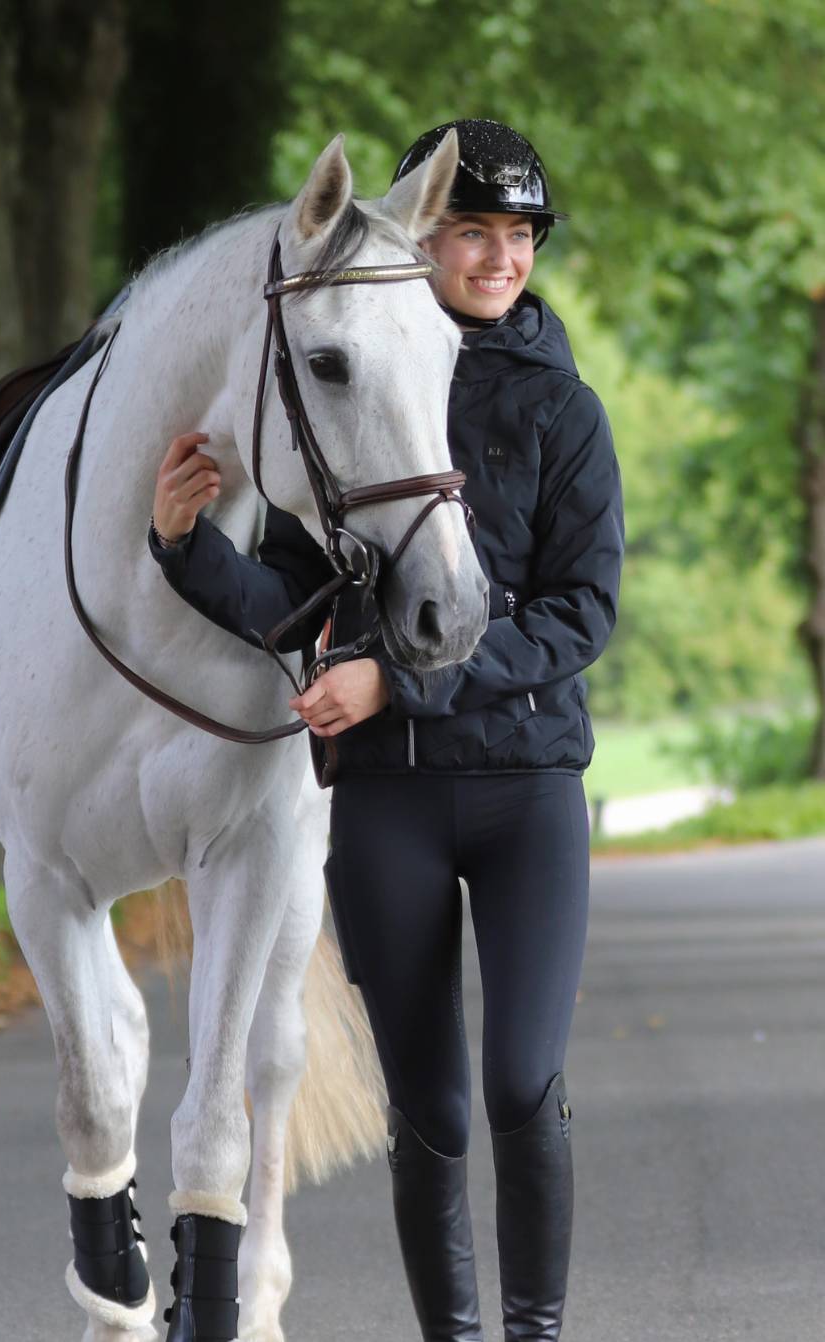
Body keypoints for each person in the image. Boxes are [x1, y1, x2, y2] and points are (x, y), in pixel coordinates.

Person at [147, 118, 624, 1342]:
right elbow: (296, 609)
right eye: (475, 230)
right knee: (431, 1112)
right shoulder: (350, 387)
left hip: (525, 789)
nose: (501, 257)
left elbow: (582, 615)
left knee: (520, 1083)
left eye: (519, 236)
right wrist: (184, 547)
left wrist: (391, 685)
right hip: (389, 804)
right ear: (425, 238)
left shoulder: (566, 412)